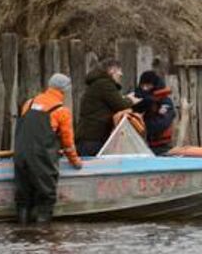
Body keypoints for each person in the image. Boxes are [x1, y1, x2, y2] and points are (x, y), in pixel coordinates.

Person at [12, 73, 82, 225]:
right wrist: (75, 161)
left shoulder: (29, 103)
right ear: (64, 90)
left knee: (23, 198)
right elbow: (67, 141)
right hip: (42, 158)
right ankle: (43, 234)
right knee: (46, 196)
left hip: (21, 154)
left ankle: (22, 233)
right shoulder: (61, 111)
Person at [75, 61, 133, 156]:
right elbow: (120, 105)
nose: (121, 74)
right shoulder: (104, 84)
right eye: (119, 71)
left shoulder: (97, 85)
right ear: (111, 70)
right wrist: (131, 100)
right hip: (93, 138)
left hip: (89, 137)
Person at [135, 70, 177, 156]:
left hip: (162, 146)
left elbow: (163, 123)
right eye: (143, 86)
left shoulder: (165, 102)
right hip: (139, 145)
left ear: (154, 85)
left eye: (148, 85)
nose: (145, 88)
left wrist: (143, 125)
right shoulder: (137, 100)